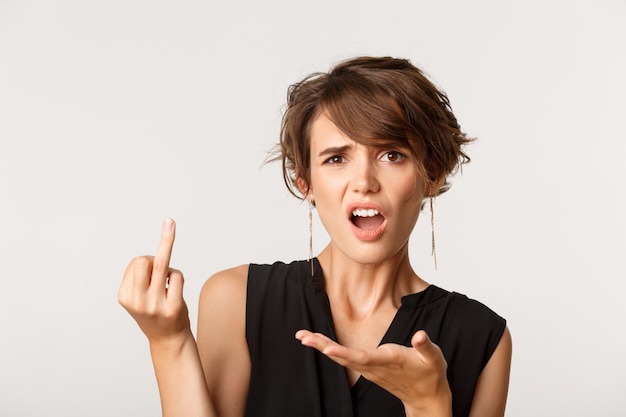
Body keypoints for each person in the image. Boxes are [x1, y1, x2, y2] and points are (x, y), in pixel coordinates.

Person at [118, 56, 512, 417]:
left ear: (433, 173)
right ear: (304, 181)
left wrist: (429, 405)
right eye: (336, 158)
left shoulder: (484, 338)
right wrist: (168, 342)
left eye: (392, 154)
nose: (364, 182)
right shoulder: (235, 299)